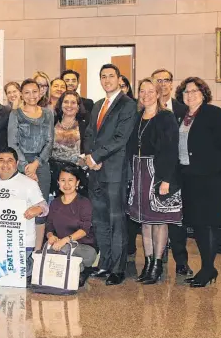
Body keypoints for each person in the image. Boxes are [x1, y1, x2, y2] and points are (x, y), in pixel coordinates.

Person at [175, 77, 221, 287]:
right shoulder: (182, 116)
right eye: (186, 92)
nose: (189, 95)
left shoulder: (213, 113)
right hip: (189, 177)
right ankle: (208, 267)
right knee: (198, 224)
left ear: (203, 93)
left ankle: (208, 269)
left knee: (207, 224)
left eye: (194, 91)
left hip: (211, 177)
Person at [84, 64, 137, 286]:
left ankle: (118, 268)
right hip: (95, 172)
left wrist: (96, 157)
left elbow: (120, 138)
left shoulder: (127, 105)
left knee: (116, 221)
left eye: (111, 76)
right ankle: (104, 263)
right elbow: (88, 133)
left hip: (114, 171)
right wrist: (88, 156)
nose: (107, 80)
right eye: (103, 76)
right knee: (100, 220)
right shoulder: (97, 105)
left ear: (119, 78)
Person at [126, 78, 182, 285]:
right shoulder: (138, 117)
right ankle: (148, 263)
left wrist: (166, 179)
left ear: (158, 94)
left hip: (157, 172)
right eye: (142, 91)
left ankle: (158, 264)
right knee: (145, 222)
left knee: (159, 221)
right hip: (139, 172)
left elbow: (170, 150)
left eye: (151, 91)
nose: (146, 94)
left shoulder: (165, 117)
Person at [0, 147, 49, 282]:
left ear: (16, 164)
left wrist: (38, 209)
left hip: (22, 242)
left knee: (12, 278)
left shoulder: (29, 184)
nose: (5, 164)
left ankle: (29, 267)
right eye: (1, 161)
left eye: (9, 160)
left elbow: (45, 207)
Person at [150, 68, 191, 275]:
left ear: (172, 84)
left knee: (176, 219)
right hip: (152, 172)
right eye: (158, 80)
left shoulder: (182, 110)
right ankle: (158, 257)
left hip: (176, 172)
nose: (163, 84)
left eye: (167, 80)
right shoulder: (148, 108)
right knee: (155, 217)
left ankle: (181, 260)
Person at [45, 165, 97, 287]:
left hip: (84, 248)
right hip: (60, 245)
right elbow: (49, 226)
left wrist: (64, 240)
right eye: (63, 180)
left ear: (77, 182)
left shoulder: (84, 202)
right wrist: (50, 236)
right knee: (48, 249)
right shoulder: (55, 203)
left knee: (60, 250)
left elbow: (84, 229)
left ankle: (79, 268)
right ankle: (78, 270)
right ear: (58, 182)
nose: (66, 184)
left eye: (70, 180)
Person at [7, 78, 54, 203]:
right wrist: (26, 168)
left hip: (42, 164)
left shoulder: (48, 113)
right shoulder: (15, 114)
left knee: (41, 208)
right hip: (21, 164)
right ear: (21, 95)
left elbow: (50, 142)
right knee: (21, 207)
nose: (31, 96)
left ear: (40, 93)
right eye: (27, 92)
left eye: (34, 91)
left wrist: (36, 164)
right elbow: (12, 143)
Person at [50, 90, 89, 198]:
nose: (69, 105)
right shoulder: (53, 121)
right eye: (66, 102)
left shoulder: (85, 123)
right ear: (61, 104)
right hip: (55, 172)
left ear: (78, 106)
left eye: (73, 102)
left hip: (77, 172)